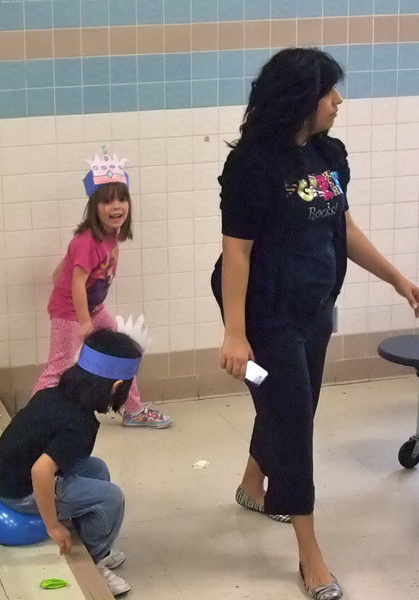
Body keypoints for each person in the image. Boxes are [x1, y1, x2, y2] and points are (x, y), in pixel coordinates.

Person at [211, 47, 419, 600]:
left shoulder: (329, 154)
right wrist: (235, 332)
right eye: (329, 91)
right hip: (265, 312)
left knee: (292, 405)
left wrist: (398, 279)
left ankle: (252, 485)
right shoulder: (254, 165)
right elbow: (236, 253)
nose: (338, 100)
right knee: (294, 421)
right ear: (301, 98)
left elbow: (341, 228)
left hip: (314, 305)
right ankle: (310, 555)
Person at [0, 328, 145, 596]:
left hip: (9, 474)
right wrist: (53, 526)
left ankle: (89, 536)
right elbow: (41, 471)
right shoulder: (78, 423)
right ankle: (95, 561)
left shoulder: (53, 395)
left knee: (97, 468)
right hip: (20, 492)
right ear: (116, 387)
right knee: (111, 497)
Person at [32, 149, 172, 429]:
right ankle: (31, 419)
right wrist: (84, 322)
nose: (116, 206)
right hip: (71, 313)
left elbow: (64, 271)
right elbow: (77, 283)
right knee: (59, 366)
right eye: (107, 201)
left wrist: (63, 277)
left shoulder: (111, 234)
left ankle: (133, 410)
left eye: (121, 199)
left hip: (93, 309)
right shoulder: (88, 242)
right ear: (94, 207)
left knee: (123, 352)